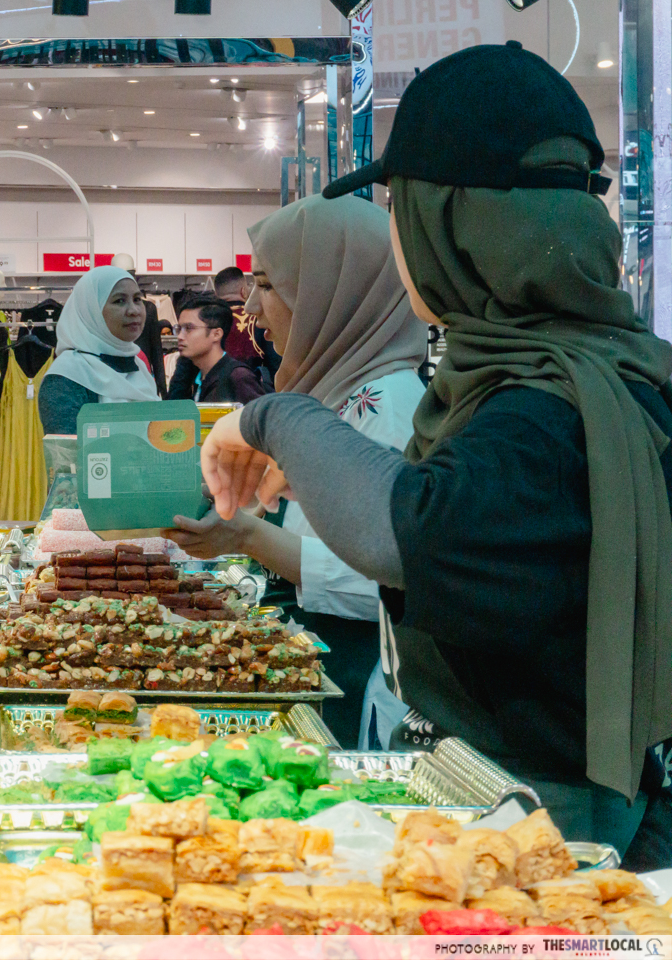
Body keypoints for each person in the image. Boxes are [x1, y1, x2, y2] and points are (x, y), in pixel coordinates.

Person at [197, 43, 672, 858]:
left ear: (450, 224)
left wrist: (276, 420)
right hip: (538, 793)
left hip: (539, 821)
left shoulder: (542, 404)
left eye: (402, 209)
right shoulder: (600, 371)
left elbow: (410, 531)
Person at [165, 194, 427, 749]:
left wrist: (248, 535)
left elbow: (382, 580)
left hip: (363, 673)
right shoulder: (340, 395)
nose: (252, 309)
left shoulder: (384, 405)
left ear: (331, 293)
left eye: (268, 283)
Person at [36, 265, 159, 436]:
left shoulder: (138, 366)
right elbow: (66, 456)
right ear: (91, 309)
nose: (134, 310)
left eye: (137, 299)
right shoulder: (68, 375)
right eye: (119, 301)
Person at [168, 298, 266, 404]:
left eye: (189, 328)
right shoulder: (192, 376)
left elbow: (262, 418)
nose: (180, 336)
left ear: (216, 334)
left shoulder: (238, 377)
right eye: (179, 329)